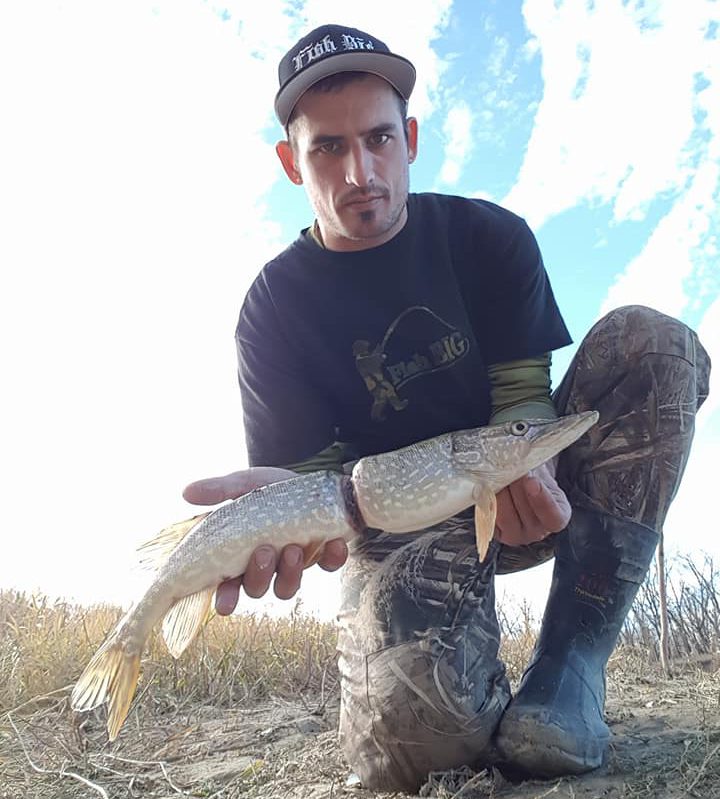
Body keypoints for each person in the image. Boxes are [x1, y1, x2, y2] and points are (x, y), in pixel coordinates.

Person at [183, 24, 711, 793]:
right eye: (328, 148)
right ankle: (471, 695)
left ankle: (571, 664)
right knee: (413, 756)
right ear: (291, 162)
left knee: (653, 343)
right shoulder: (274, 308)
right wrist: (284, 532)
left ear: (412, 138)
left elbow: (525, 394)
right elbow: (310, 487)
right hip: (394, 534)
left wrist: (540, 469)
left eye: (378, 138)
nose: (359, 170)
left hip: (523, 492)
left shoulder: (488, 238)